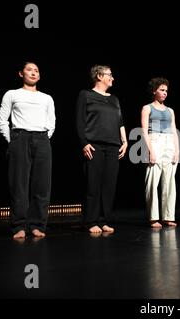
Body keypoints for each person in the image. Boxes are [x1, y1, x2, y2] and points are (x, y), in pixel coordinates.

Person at [0, 62, 55, 239]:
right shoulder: (12, 94)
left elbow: (51, 122)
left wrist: (43, 138)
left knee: (42, 185)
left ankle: (37, 225)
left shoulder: (47, 98)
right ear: (21, 73)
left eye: (37, 70)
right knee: (19, 184)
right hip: (19, 137)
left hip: (42, 138)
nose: (33, 72)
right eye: (29, 70)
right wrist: (13, 140)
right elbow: (2, 120)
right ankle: (19, 226)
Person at [76, 65, 128, 234]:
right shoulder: (86, 95)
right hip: (94, 145)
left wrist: (125, 141)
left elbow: (120, 121)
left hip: (113, 146)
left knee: (109, 185)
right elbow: (79, 121)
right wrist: (83, 142)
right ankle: (90, 221)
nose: (112, 78)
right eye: (109, 75)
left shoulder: (114, 99)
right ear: (99, 76)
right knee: (93, 184)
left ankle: (104, 220)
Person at [141, 78, 179, 228]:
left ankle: (168, 216)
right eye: (162, 90)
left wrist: (177, 150)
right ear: (154, 91)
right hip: (154, 140)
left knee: (169, 182)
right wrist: (150, 150)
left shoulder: (170, 111)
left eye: (166, 91)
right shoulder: (147, 108)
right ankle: (153, 217)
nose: (165, 93)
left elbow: (174, 130)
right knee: (152, 181)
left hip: (169, 142)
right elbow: (144, 130)